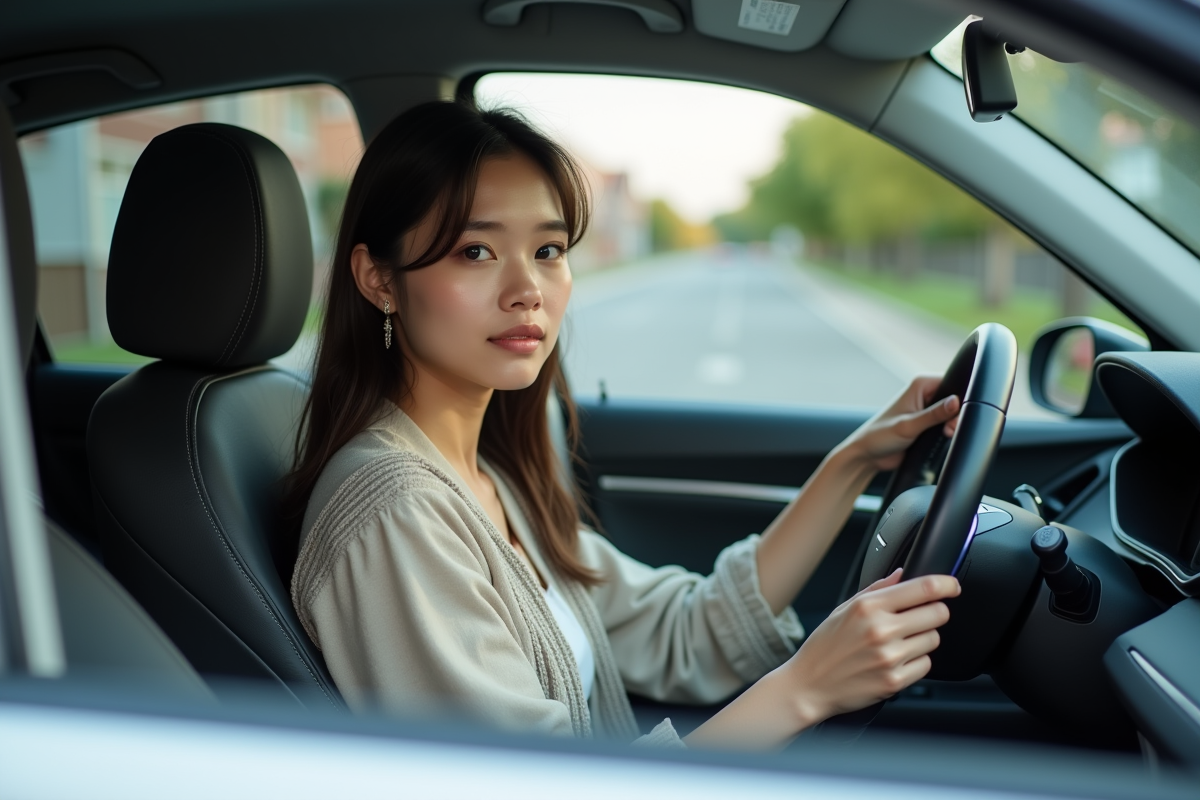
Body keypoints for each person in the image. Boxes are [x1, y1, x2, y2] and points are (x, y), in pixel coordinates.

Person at [286, 101, 962, 750]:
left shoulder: (488, 480)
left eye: (548, 249)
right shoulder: (394, 512)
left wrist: (853, 462)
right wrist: (806, 689)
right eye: (476, 252)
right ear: (379, 279)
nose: (528, 290)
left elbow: (688, 632)